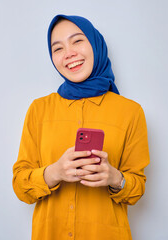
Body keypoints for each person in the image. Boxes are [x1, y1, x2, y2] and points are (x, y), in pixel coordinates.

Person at [12, 14, 150, 240]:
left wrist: (114, 178)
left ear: (96, 44)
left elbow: (137, 190)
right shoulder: (39, 109)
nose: (69, 53)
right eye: (57, 48)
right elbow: (20, 185)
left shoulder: (130, 112)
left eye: (77, 41)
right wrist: (54, 172)